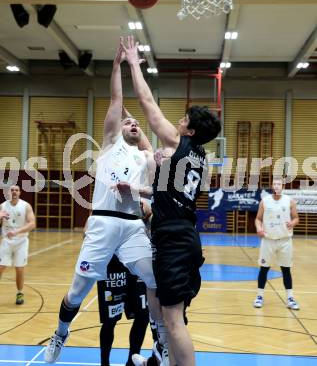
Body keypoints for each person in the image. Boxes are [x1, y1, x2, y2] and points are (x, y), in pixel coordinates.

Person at [44, 40, 168, 365]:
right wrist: (118, 66)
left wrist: (139, 129)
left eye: (135, 124)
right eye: (128, 121)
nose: (132, 124)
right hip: (101, 222)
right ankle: (60, 332)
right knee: (76, 292)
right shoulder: (111, 143)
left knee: (155, 280)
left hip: (132, 227)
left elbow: (151, 165)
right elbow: (116, 98)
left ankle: (161, 336)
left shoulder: (146, 157)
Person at [122, 35, 221, 366]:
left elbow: (148, 105)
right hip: (183, 236)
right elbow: (165, 191)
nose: (179, 120)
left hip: (175, 240)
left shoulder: (181, 145)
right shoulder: (198, 156)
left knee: (173, 319)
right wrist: (137, 189)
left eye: (184, 119)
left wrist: (134, 63)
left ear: (189, 132)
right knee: (167, 313)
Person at [254, 176, 300, 310]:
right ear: (272, 186)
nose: (276, 186)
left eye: (279, 184)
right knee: (264, 269)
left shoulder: (289, 201)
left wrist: (292, 223)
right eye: (274, 184)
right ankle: (259, 296)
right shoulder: (265, 201)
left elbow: (296, 218)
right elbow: (258, 219)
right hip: (268, 241)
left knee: (286, 270)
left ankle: (290, 298)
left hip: (285, 241)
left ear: (282, 186)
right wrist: (259, 228)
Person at [97, 255, 149, 366]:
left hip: (137, 261)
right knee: (110, 321)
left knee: (143, 316)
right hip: (112, 263)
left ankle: (132, 361)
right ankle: (104, 363)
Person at [0, 185, 36, 305]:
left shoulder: (25, 206)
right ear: (8, 192)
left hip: (21, 241)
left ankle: (19, 292)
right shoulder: (3, 206)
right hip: (6, 241)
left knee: (19, 269)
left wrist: (16, 231)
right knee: (1, 267)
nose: (14, 192)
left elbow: (32, 224)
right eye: (12, 190)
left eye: (16, 190)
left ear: (20, 192)